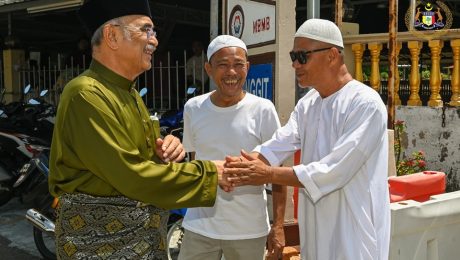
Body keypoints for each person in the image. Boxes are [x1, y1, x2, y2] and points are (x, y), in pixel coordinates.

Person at [49, 0, 232, 259]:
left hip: (139, 240)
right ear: (112, 36)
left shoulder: (129, 93)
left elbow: (142, 156)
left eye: (154, 32)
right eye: (146, 30)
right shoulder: (86, 93)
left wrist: (167, 147)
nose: (154, 41)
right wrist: (209, 174)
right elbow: (132, 174)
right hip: (101, 245)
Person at [224, 18, 391, 260]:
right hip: (315, 233)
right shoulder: (308, 104)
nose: (295, 64)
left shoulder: (365, 103)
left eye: (302, 56)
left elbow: (333, 170)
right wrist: (236, 168)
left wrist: (266, 174)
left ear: (332, 55)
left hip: (355, 233)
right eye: (293, 56)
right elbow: (277, 144)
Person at [178, 35, 286, 260]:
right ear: (208, 68)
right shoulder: (193, 108)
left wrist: (278, 226)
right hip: (200, 227)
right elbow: (194, 165)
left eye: (238, 65)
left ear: (247, 67)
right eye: (223, 65)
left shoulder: (263, 109)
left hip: (248, 231)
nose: (232, 73)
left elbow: (278, 174)